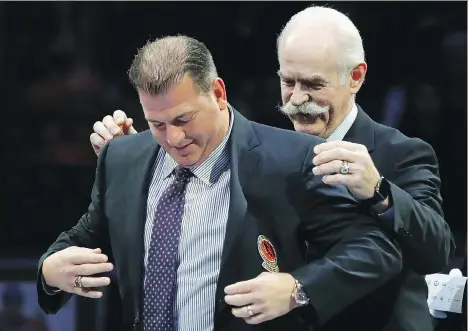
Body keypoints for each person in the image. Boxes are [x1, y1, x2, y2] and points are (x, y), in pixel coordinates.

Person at [90, 7, 455, 331]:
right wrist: (142, 160)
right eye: (288, 82)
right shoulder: (262, 148)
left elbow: (436, 251)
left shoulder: (401, 152)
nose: (297, 99)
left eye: (313, 85)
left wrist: (380, 191)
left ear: (356, 77)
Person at [38, 35, 403, 331]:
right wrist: (50, 271)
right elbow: (85, 238)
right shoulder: (122, 158)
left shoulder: (293, 157)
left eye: (184, 118)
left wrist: (297, 290)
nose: (174, 138)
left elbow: (376, 249)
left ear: (217, 93)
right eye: (157, 124)